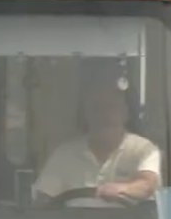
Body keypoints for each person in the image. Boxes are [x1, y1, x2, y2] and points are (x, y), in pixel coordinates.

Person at [33, 72, 161, 204]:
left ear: (126, 113)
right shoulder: (64, 154)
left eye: (111, 107)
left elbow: (147, 185)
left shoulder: (144, 149)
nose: (104, 114)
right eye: (96, 107)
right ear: (86, 114)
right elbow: (43, 199)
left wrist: (122, 189)